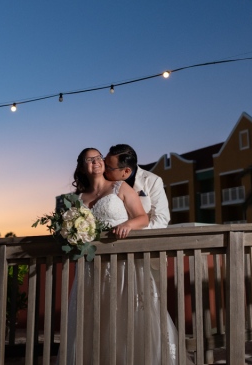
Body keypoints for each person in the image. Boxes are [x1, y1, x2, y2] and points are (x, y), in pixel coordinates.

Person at [62, 148, 178, 365]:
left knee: (135, 312)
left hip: (129, 259)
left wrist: (129, 229)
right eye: (92, 159)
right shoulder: (77, 197)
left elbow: (153, 218)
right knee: (97, 316)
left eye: (101, 160)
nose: (99, 163)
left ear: (125, 171)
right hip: (91, 266)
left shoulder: (135, 184)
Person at [104, 144, 170, 229]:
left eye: (109, 168)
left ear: (126, 171)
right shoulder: (102, 179)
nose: (104, 169)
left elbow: (161, 219)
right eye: (104, 163)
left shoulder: (153, 181)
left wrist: (134, 234)